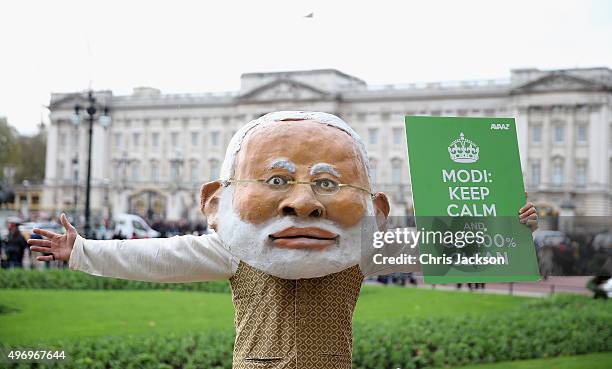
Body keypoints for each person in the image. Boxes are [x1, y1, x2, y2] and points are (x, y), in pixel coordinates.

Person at [29, 111, 538, 369]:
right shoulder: (232, 251)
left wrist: (511, 230)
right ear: (216, 204)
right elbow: (159, 257)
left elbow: (443, 246)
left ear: (375, 210)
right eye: (275, 181)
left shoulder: (358, 252)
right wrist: (81, 249)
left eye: (326, 183)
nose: (300, 203)